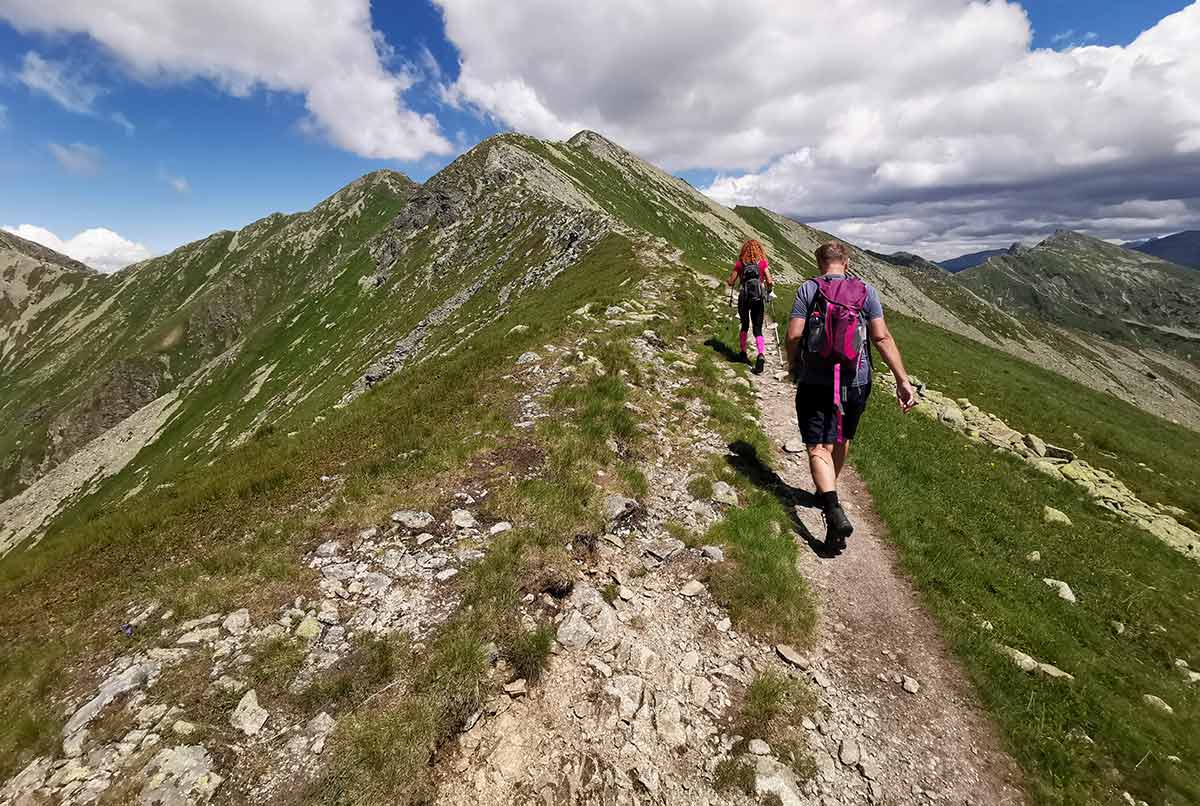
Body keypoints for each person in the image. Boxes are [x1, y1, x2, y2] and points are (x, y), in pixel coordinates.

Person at [786, 241, 918, 550]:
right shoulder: (865, 291)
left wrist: (795, 364)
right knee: (842, 437)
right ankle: (828, 493)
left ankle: (831, 505)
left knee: (818, 445)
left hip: (817, 380)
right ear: (846, 263)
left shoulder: (809, 290)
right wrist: (903, 381)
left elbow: (793, 334)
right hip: (856, 380)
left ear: (820, 262)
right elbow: (881, 337)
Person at [726, 239, 775, 374]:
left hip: (744, 297)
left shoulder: (740, 264)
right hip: (758, 298)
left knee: (745, 325)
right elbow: (769, 281)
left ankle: (743, 352)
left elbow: (731, 282)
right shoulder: (762, 263)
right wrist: (768, 290)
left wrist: (730, 280)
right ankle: (760, 354)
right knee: (758, 328)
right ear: (759, 249)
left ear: (744, 250)